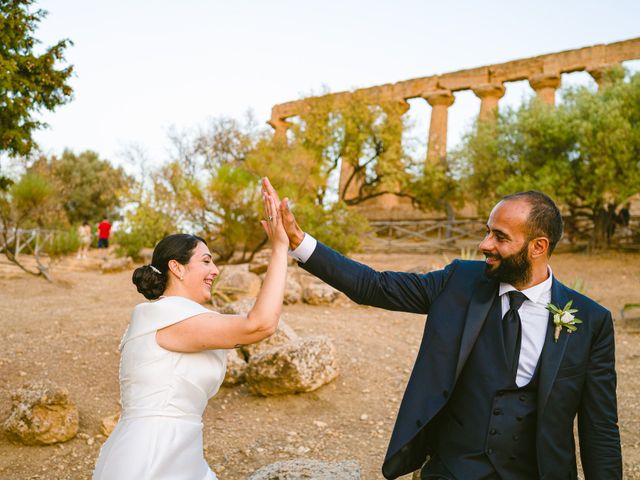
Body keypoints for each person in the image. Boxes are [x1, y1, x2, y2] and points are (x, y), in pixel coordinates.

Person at [263, 179, 621, 480]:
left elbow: (600, 429)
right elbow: (373, 286)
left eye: (499, 237)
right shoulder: (459, 282)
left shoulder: (590, 321)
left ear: (538, 247)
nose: (485, 245)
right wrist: (298, 240)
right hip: (452, 470)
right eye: (486, 232)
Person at [93, 185, 288, 480]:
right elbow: (260, 324)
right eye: (206, 261)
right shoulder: (166, 316)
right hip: (153, 455)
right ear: (177, 268)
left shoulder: (172, 315)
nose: (216, 270)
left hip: (178, 449)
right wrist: (280, 247)